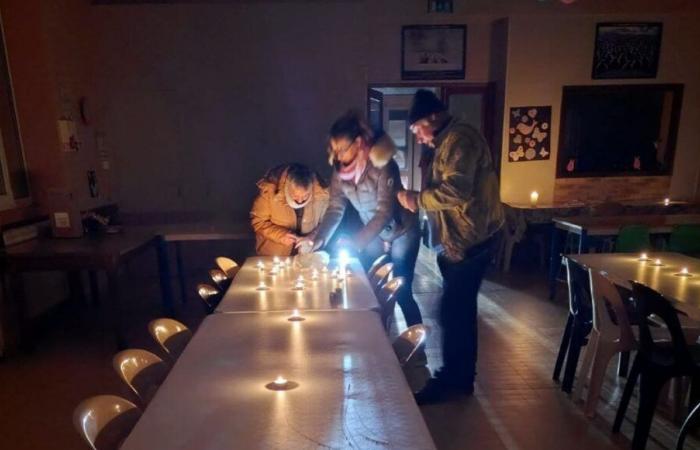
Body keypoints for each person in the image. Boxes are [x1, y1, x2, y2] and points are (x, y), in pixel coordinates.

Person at [397, 90, 504, 403]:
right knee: (456, 311)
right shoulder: (447, 141)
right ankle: (458, 377)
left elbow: (456, 190)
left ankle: (455, 380)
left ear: (432, 117)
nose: (417, 138)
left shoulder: (459, 140)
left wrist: (417, 199)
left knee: (454, 311)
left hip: (473, 239)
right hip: (462, 240)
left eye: (418, 130)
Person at [306, 110, 423, 326]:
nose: (338, 155)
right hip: (373, 232)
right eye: (334, 149)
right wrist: (318, 239)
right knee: (370, 287)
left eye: (342, 148)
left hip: (401, 230)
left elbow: (384, 212)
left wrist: (355, 241)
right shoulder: (339, 173)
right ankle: (378, 337)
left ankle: (417, 352)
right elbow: (335, 208)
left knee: (402, 289)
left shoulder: (383, 165)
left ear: (358, 142)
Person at [250, 163, 329, 256]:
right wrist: (280, 235)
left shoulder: (321, 194)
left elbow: (327, 222)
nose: (300, 201)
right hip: (275, 256)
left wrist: (312, 237)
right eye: (295, 196)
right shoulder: (270, 191)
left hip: (308, 256)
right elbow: (258, 222)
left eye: (305, 196)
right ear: (287, 186)